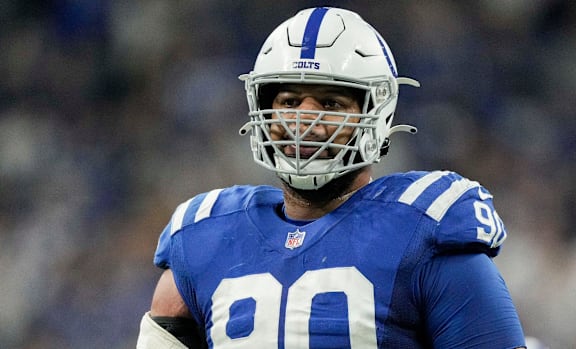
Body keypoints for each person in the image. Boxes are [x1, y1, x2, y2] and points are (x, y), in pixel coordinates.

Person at [137, 6, 526, 349]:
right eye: (289, 102)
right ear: (262, 112)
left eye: (330, 103)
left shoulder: (426, 233)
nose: (305, 122)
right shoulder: (203, 238)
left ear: (375, 116)